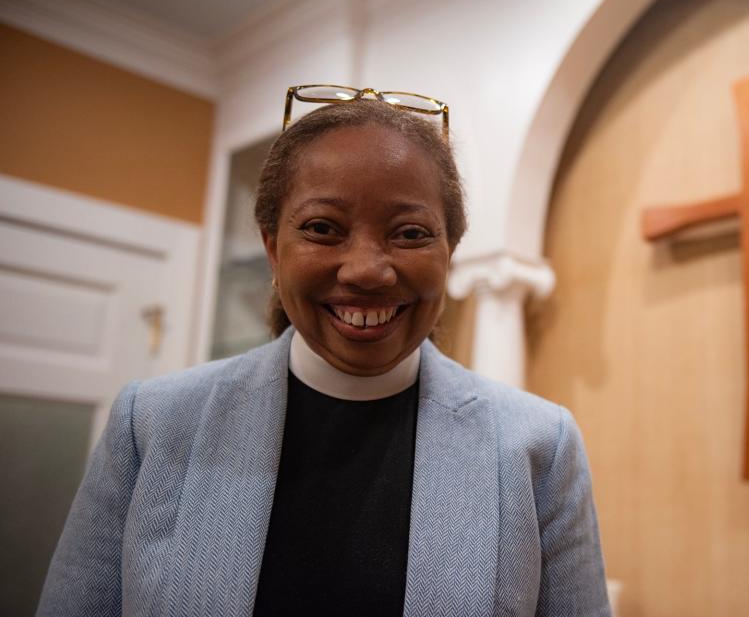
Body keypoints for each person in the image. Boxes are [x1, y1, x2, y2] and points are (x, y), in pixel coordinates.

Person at [38, 91, 611, 616]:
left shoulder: (537, 446)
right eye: (322, 228)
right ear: (272, 247)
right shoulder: (154, 423)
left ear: (450, 251)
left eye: (410, 233)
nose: (366, 270)